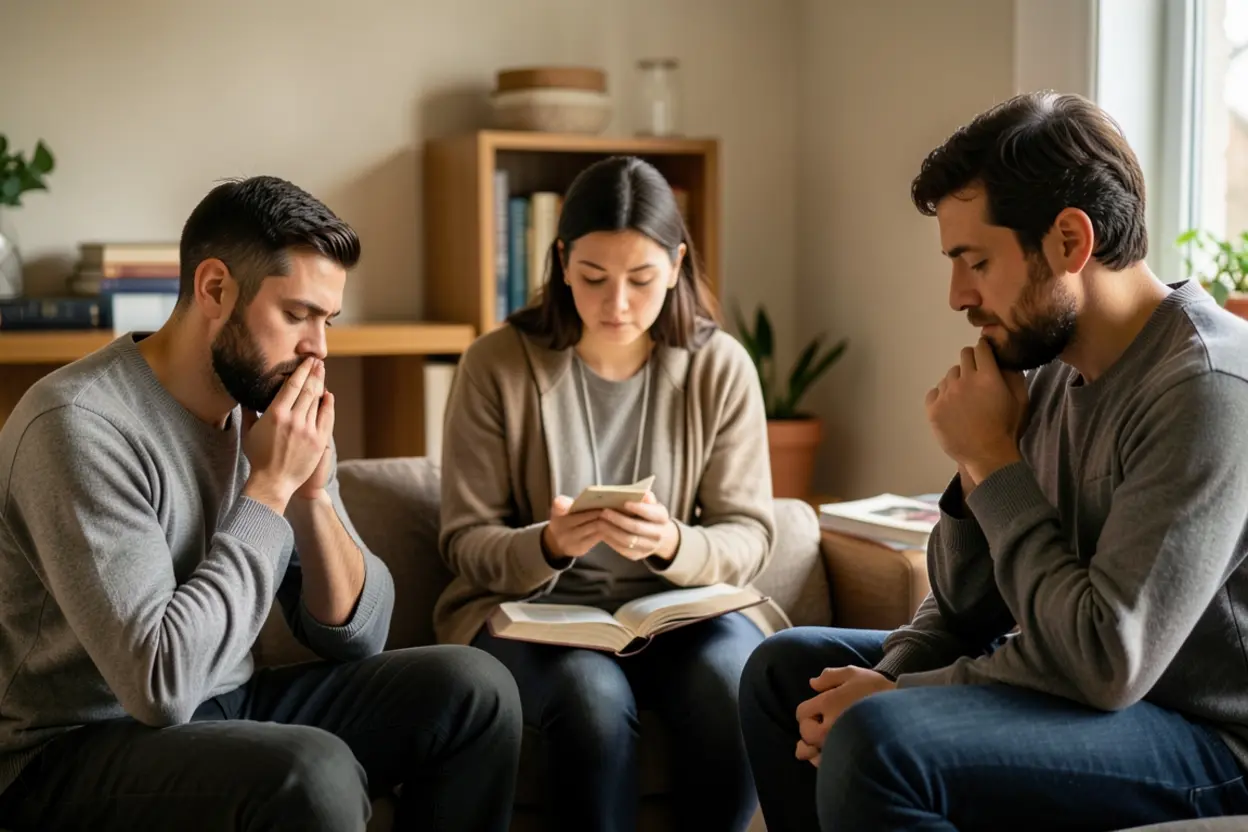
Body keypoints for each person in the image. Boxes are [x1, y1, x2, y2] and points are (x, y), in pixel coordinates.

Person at [739, 91, 1248, 831]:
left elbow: (1108, 659)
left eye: (974, 261)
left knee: (881, 740)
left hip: (1206, 737)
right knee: (784, 674)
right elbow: (966, 604)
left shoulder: (1205, 389)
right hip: (1094, 688)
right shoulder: (1040, 370)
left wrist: (994, 460)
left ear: (1070, 241)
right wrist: (889, 670)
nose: (956, 296)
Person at [0, 175, 522, 832]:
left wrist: (310, 495)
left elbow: (359, 635)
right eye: (297, 315)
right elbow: (159, 685)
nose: (319, 349)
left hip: (224, 702)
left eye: (327, 321)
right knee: (312, 770)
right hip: (71, 749)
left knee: (475, 690)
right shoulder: (80, 425)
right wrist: (269, 488)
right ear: (214, 289)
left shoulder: (263, 409)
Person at [436, 155, 778, 832]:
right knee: (590, 704)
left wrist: (674, 542)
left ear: (677, 266)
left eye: (642, 279)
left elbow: (752, 534)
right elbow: (464, 541)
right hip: (532, 616)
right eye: (593, 277)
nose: (616, 303)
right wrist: (549, 543)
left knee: (731, 681)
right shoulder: (495, 364)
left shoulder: (720, 366)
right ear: (561, 262)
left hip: (680, 615)